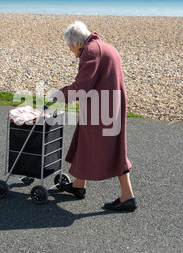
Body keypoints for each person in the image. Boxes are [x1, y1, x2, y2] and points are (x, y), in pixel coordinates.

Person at [52, 21, 137, 212]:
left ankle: (128, 196)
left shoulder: (90, 51)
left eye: (70, 46)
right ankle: (78, 185)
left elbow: (82, 87)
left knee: (113, 150)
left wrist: (60, 95)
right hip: (109, 104)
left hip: (102, 109)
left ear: (77, 43)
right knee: (86, 142)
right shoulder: (107, 47)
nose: (70, 50)